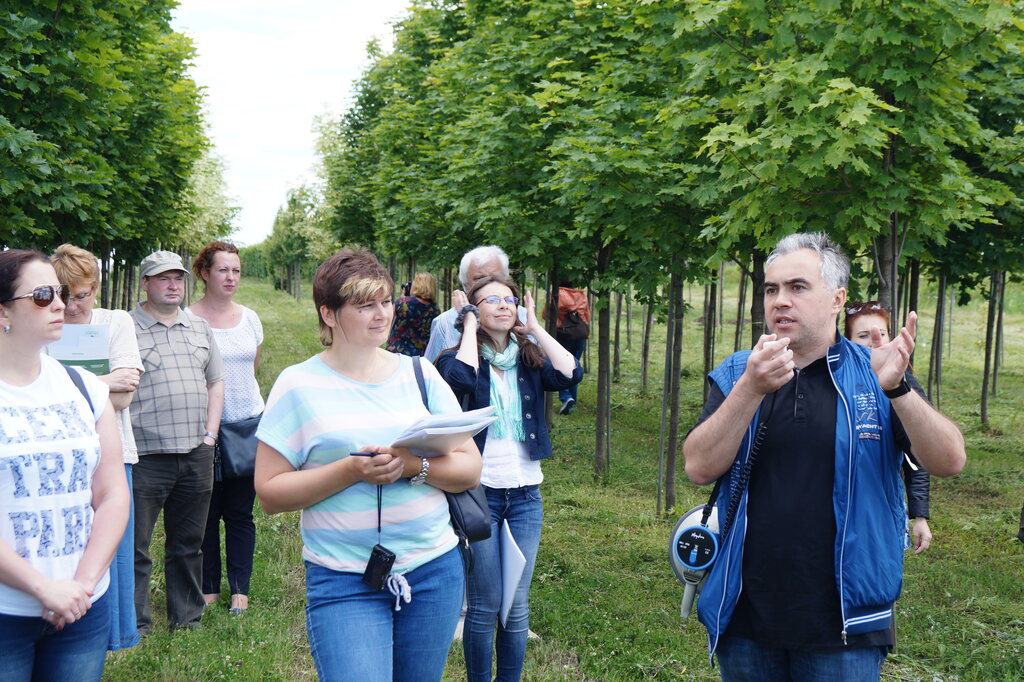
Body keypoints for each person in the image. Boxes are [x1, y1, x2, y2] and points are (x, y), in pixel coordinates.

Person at [682, 233, 966, 680]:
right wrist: (750, 389)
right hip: (745, 615)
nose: (780, 301)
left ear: (837, 299)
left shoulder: (876, 370)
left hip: (846, 623)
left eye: (797, 287)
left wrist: (899, 389)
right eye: (772, 289)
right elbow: (698, 466)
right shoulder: (741, 370)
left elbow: (949, 460)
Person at [254, 248, 482, 681]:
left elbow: (470, 469)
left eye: (385, 302)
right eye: (364, 306)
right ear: (329, 313)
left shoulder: (420, 374)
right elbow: (269, 493)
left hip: (434, 570)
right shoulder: (298, 385)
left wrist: (413, 466)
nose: (382, 315)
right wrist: (350, 470)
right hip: (344, 579)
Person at [436, 275, 581, 682]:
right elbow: (458, 380)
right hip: (478, 492)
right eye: (491, 300)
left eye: (510, 299)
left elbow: (570, 373)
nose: (504, 305)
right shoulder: (458, 356)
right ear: (474, 311)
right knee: (484, 603)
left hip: (525, 496)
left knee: (516, 605)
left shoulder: (529, 358)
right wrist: (466, 325)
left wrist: (534, 328)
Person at [0, 250, 130, 680]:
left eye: (57, 292)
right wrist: (43, 589)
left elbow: (111, 494)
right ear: (3, 312)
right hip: (6, 611)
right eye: (42, 295)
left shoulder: (84, 387)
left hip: (83, 608)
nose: (61, 304)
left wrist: (82, 586)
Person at [50, 244, 144, 651]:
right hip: (60, 453)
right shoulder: (45, 322)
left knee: (114, 546)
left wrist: (56, 382)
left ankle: (116, 636)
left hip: (112, 451)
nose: (71, 307)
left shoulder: (116, 321)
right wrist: (103, 382)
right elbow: (113, 389)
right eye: (62, 295)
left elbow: (125, 397)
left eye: (81, 295)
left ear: (96, 289)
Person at [129, 250, 224, 635]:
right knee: (135, 547)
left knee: (189, 543)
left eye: (179, 279)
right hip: (143, 456)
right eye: (164, 278)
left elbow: (215, 382)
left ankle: (186, 619)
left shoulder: (199, 327)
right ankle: (136, 622)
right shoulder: (125, 329)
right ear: (145, 283)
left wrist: (210, 436)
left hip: (194, 452)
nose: (173, 286)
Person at [188, 242, 264, 616]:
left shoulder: (250, 317)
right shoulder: (188, 320)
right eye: (223, 270)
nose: (231, 277)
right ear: (204, 273)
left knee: (240, 512)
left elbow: (253, 368)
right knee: (206, 511)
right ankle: (207, 587)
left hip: (246, 427)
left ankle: (240, 590)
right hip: (203, 429)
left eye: (235, 270)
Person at [844, 300, 932, 554]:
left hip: (880, 507)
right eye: (863, 335)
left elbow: (917, 457)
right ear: (846, 341)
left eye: (881, 333)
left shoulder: (903, 386)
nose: (874, 340)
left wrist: (920, 515)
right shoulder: (832, 380)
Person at [423, 246, 527, 362]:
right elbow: (431, 371)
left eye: (494, 278)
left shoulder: (524, 317)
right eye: (479, 279)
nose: (488, 284)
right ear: (465, 284)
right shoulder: (445, 323)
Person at [553, 281, 590, 415]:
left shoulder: (558, 295)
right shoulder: (581, 296)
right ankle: (571, 401)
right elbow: (587, 316)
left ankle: (565, 397)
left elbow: (547, 314)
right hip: (579, 335)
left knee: (560, 366)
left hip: (564, 335)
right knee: (574, 367)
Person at [386, 272, 441, 356]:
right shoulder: (435, 310)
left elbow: (387, 316)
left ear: (417, 286)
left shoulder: (403, 302)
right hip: (420, 356)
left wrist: (402, 298)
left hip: (397, 351)